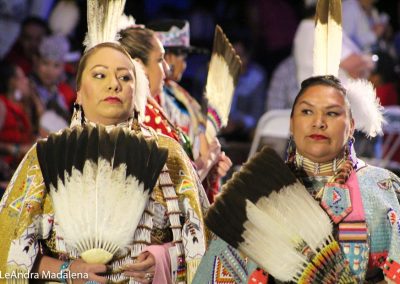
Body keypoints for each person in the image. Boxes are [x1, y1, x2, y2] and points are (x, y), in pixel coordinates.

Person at [0, 22, 209, 284]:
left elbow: (204, 245)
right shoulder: (44, 156)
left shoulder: (168, 155)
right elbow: (7, 252)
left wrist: (163, 258)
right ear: (78, 93)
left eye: (125, 77)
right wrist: (69, 271)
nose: (114, 85)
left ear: (136, 91)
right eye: (100, 75)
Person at [193, 75, 400, 283]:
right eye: (307, 111)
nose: (318, 123)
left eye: (332, 113)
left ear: (351, 126)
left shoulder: (382, 189)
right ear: (291, 124)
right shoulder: (259, 192)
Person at [118, 25, 232, 202]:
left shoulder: (155, 106)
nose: (166, 67)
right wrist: (208, 160)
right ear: (140, 66)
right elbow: (169, 192)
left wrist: (209, 169)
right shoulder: (139, 116)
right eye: (160, 59)